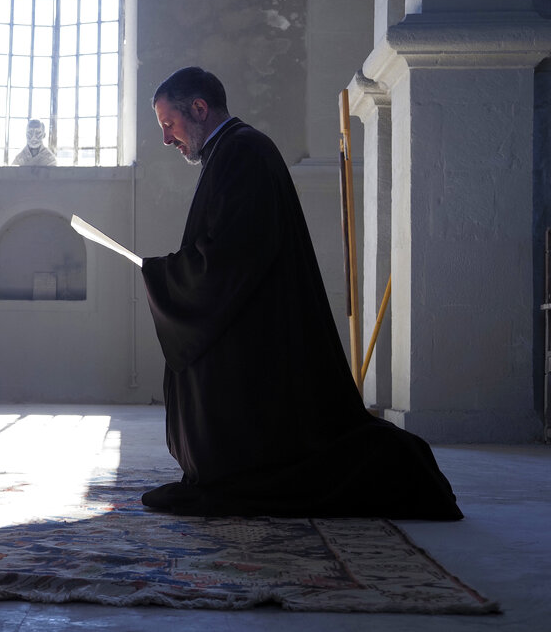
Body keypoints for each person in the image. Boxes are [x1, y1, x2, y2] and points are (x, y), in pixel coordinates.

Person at [139, 66, 462, 519]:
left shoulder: (243, 152)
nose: (167, 139)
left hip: (258, 330)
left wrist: (162, 273)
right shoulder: (232, 151)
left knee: (308, 450)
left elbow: (234, 254)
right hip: (253, 319)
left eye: (168, 124)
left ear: (198, 108)